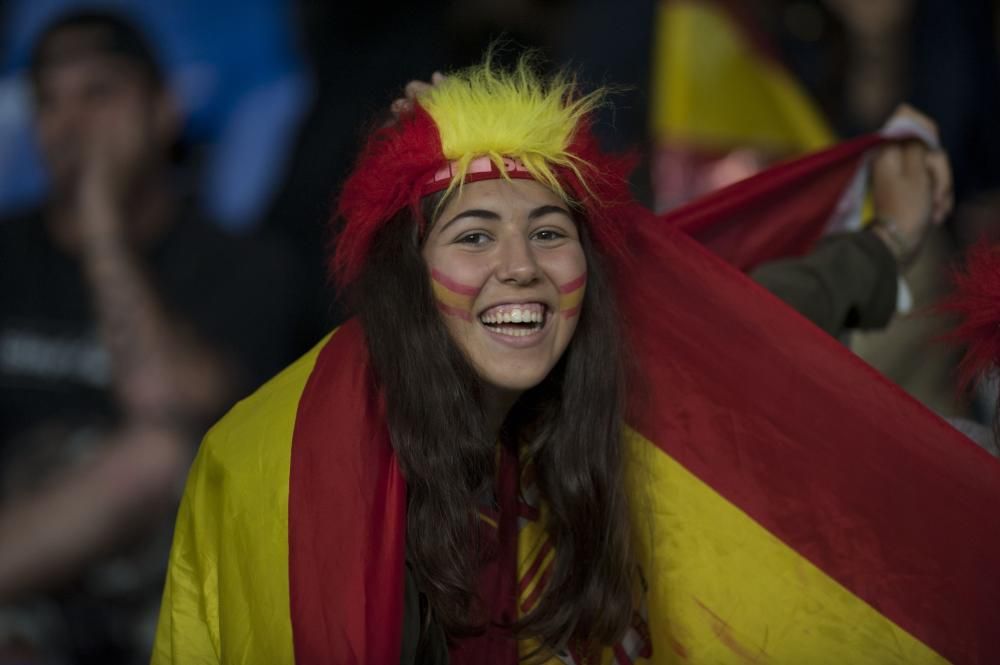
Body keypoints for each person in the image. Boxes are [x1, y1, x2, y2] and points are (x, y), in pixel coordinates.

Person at [152, 55, 964, 664]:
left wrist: (889, 237)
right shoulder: (322, 470)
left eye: (549, 231)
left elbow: (753, 327)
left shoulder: (600, 366)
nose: (521, 267)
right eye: (473, 235)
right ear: (408, 278)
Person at [0, 11, 308, 663]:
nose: (71, 122)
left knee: (160, 452)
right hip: (23, 570)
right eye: (49, 101)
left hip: (164, 585)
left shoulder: (243, 264)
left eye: (99, 93)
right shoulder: (6, 253)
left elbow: (166, 408)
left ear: (163, 110)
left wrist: (100, 227)